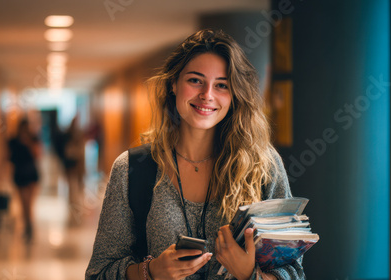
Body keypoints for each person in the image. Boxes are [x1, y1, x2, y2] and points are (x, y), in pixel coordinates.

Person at [86, 30, 305, 279]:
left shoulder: (262, 165)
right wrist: (152, 271)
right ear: (173, 84)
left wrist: (249, 274)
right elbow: (98, 273)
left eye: (222, 85)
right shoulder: (131, 168)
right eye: (195, 80)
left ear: (234, 95)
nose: (207, 95)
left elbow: (293, 271)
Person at [8, 118, 41, 243]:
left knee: (29, 203)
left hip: (31, 174)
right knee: (23, 203)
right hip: (19, 174)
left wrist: (28, 143)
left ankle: (29, 227)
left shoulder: (33, 138)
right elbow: (9, 157)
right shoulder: (13, 141)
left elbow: (37, 155)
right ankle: (28, 227)